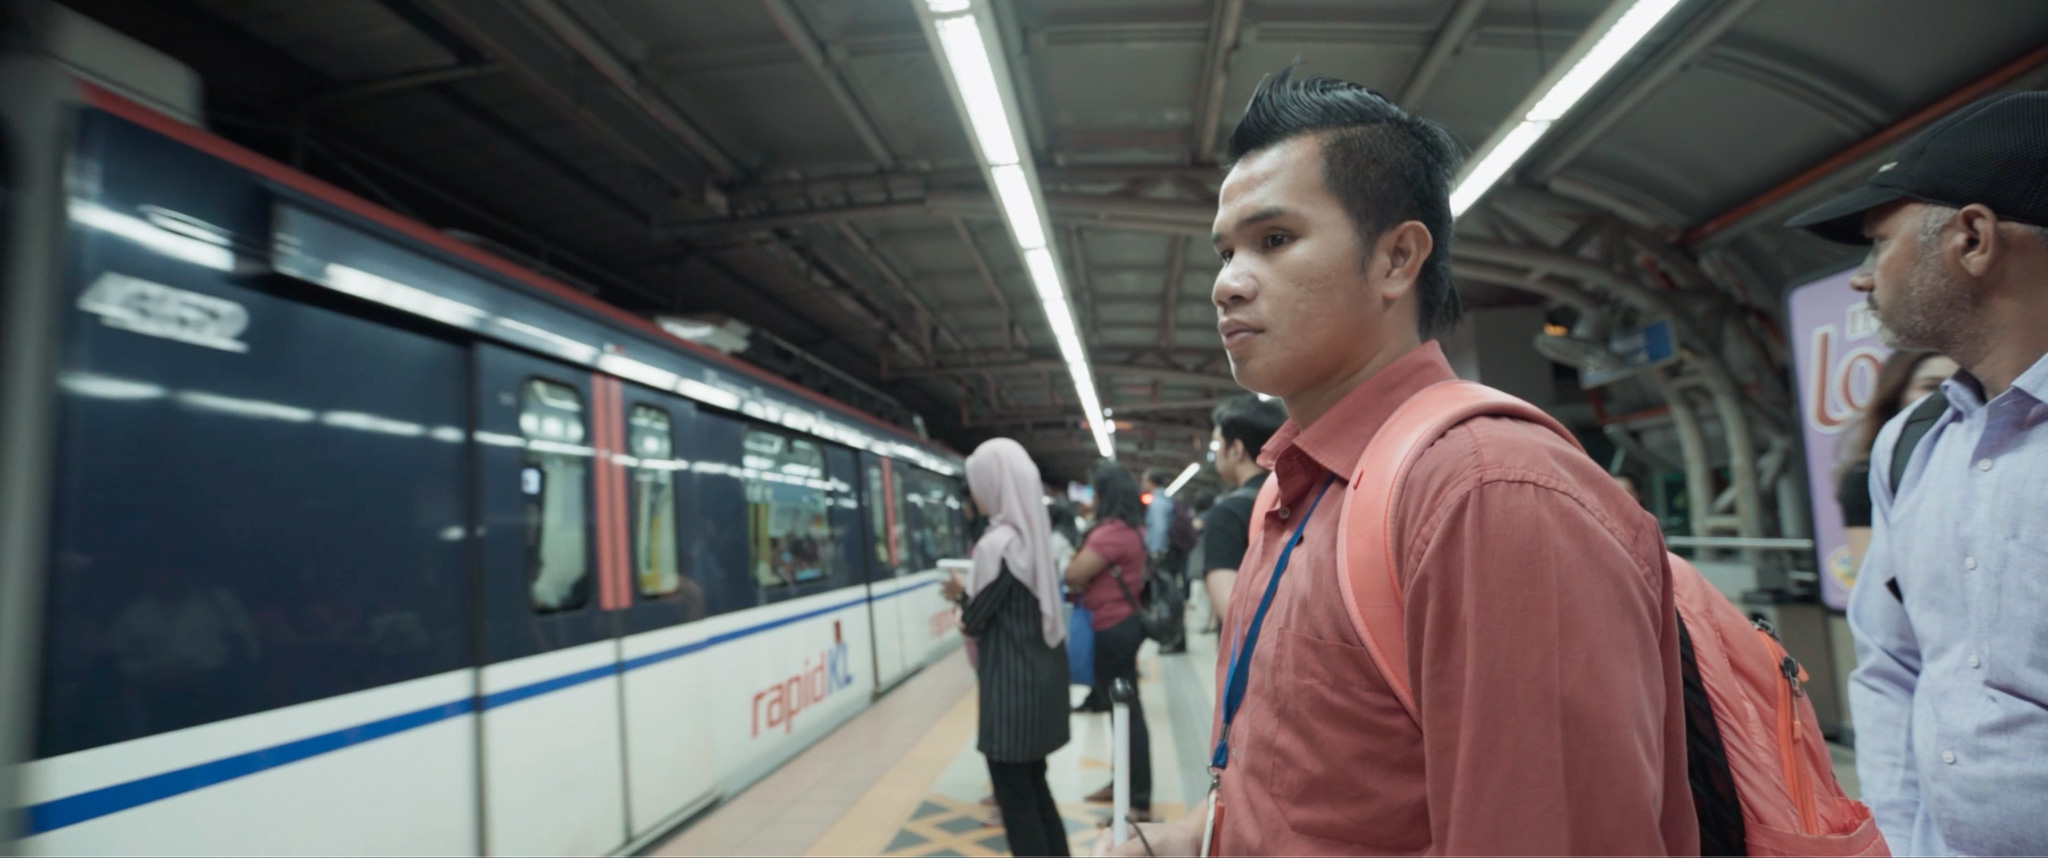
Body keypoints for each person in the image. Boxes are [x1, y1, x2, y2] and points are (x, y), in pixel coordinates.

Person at [1100, 66, 1694, 856]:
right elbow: (1331, 794)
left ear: (1396, 259)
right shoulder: (1296, 493)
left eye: (1274, 240)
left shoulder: (1488, 495)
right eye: (1226, 250)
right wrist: (1198, 838)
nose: (1227, 284)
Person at [1785, 89, 2048, 857]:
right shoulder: (1913, 443)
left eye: (1878, 243)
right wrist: (1897, 840)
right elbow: (1895, 668)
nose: (1864, 279)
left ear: (1972, 237)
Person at [941, 439, 1072, 857]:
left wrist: (961, 595)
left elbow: (977, 621)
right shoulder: (1035, 538)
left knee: (1017, 806)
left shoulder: (997, 545)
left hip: (1011, 697)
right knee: (1036, 789)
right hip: (1041, 684)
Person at [1064, 462, 1152, 820]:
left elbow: (1073, 575)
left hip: (1113, 628)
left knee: (1127, 714)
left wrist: (1074, 564)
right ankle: (1124, 786)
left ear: (1104, 494)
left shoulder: (1111, 532)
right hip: (1121, 626)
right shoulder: (1129, 529)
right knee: (1123, 712)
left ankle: (1136, 802)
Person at [1833, 349, 1957, 573]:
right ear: (1897, 394)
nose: (1948, 396)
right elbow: (1872, 577)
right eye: (1931, 387)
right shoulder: (1866, 475)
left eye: (1961, 386)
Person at [1196, 394, 1287, 635]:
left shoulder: (1227, 513)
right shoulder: (1303, 495)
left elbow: (1233, 616)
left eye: (1217, 444)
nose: (1215, 453)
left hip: (1254, 664)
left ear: (1236, 450)